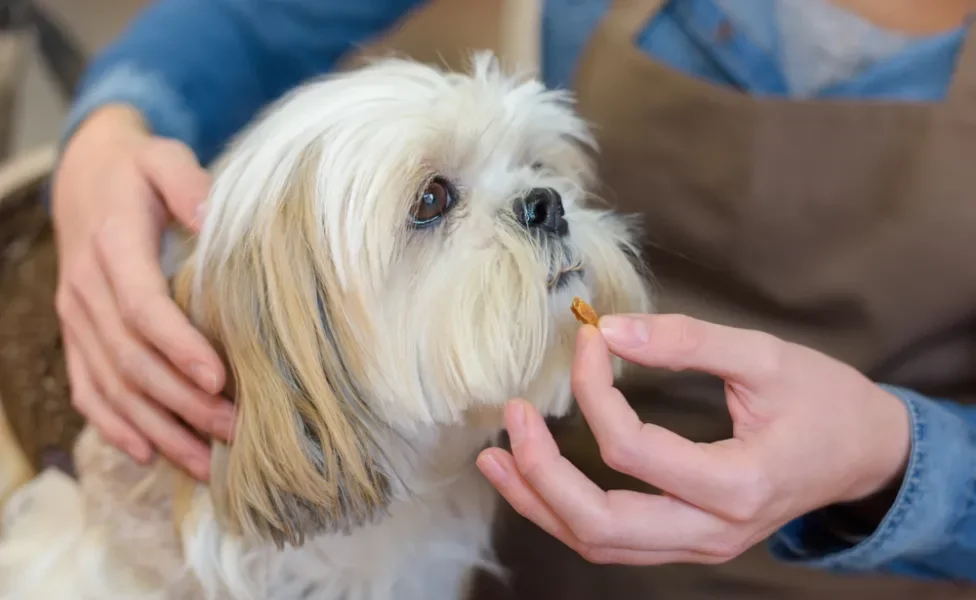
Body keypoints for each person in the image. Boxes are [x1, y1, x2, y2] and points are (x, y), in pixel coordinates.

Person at [50, 0, 976, 595]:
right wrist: (111, 132)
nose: (549, 207)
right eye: (433, 201)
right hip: (517, 510)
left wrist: (897, 463)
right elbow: (249, 20)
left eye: (542, 174)